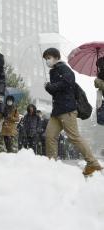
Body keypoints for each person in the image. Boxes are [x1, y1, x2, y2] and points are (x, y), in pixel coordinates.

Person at [43, 47, 102, 176]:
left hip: (67, 109)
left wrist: (51, 86)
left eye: (49, 58)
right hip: (57, 111)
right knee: (49, 136)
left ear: (56, 57)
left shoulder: (64, 69)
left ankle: (93, 163)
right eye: (46, 59)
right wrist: (48, 87)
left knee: (74, 137)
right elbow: (56, 90)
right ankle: (51, 165)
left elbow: (67, 83)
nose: (47, 61)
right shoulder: (54, 71)